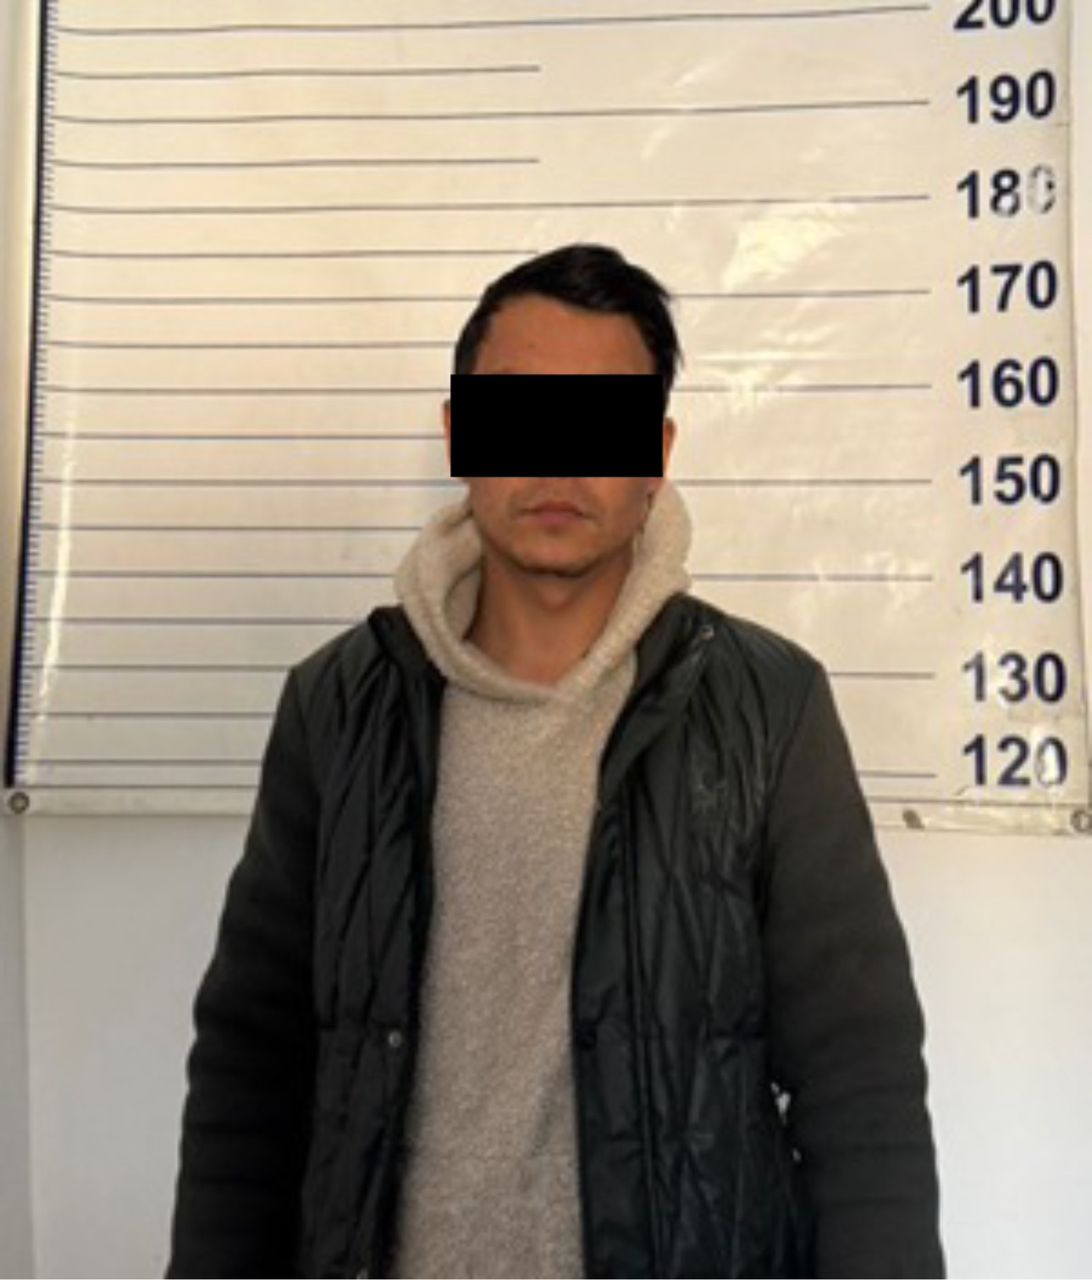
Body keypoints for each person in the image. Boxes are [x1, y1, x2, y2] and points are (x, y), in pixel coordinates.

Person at [167, 243, 944, 1279]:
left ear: (657, 452)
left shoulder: (768, 708)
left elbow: (862, 1081)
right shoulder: (339, 706)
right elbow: (250, 1063)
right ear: (459, 434)